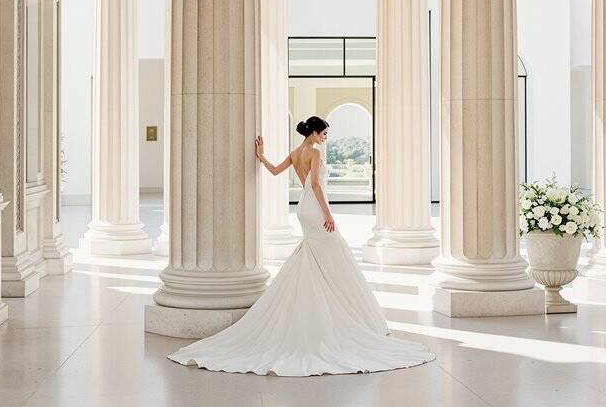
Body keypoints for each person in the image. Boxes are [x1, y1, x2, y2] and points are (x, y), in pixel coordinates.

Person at [167, 116, 435, 376]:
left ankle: (331, 308)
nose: (326, 139)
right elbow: (316, 185)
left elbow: (274, 171)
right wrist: (328, 214)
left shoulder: (296, 152)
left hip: (302, 210)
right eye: (325, 134)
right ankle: (345, 316)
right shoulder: (315, 152)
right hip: (316, 208)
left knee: (318, 255)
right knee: (334, 255)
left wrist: (261, 155)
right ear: (315, 133)